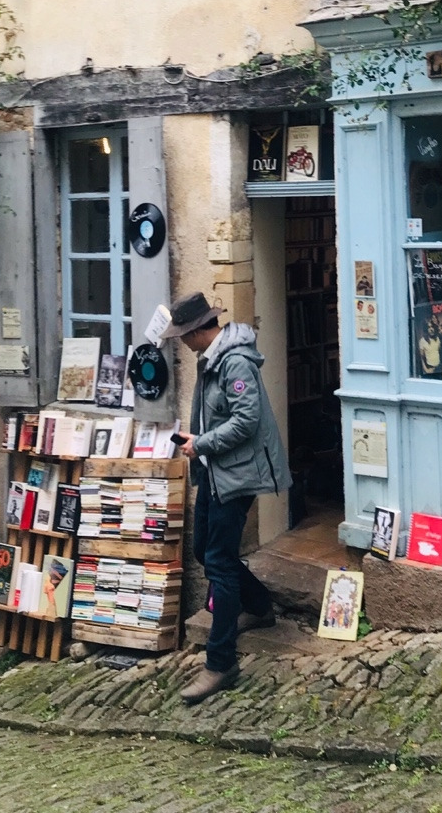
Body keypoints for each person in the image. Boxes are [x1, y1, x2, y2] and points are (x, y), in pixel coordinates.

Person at [172, 291, 291, 706]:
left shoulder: (234, 361)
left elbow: (246, 420)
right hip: (216, 472)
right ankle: (258, 606)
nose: (181, 342)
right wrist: (198, 442)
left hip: (238, 475)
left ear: (197, 331)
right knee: (205, 550)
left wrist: (202, 443)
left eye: (183, 334)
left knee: (220, 563)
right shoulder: (212, 358)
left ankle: (220, 663)